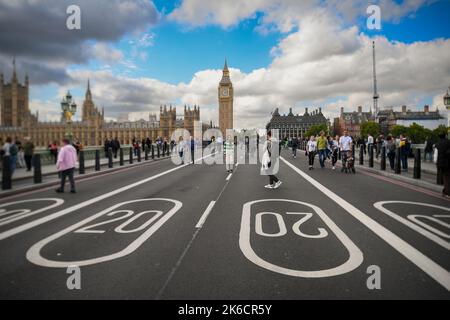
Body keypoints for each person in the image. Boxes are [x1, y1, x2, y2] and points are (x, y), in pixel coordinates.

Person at [435, 132, 450, 198]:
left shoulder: (437, 144)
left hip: (441, 163)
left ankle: (447, 192)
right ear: (445, 136)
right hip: (448, 161)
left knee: (445, 177)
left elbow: (436, 155)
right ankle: (445, 190)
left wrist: (436, 162)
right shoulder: (449, 142)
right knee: (447, 176)